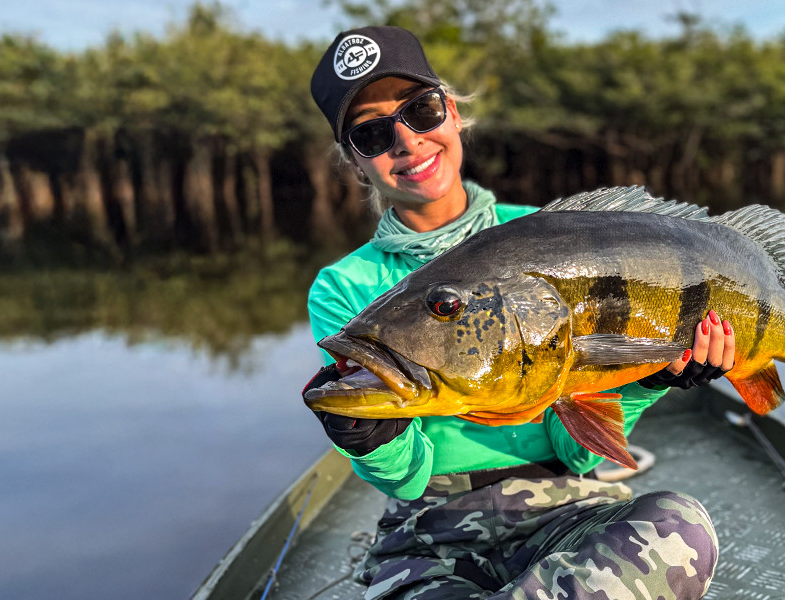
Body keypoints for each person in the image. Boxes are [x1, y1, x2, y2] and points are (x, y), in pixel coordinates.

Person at [302, 26, 731, 600]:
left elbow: (579, 452)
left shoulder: (553, 233)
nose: (406, 140)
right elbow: (408, 476)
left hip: (569, 503)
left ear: (452, 114)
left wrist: (645, 380)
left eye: (421, 110)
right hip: (429, 527)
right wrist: (367, 437)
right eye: (373, 133)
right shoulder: (344, 289)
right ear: (356, 160)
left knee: (681, 530)